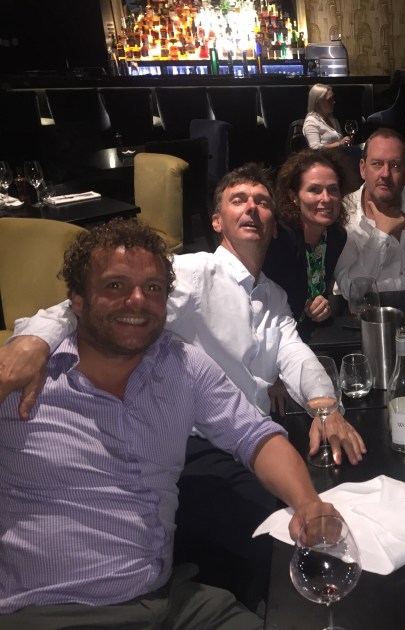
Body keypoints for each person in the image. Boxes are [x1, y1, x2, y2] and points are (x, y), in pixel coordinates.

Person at [0, 164, 365, 611]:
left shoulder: (272, 297)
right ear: (216, 221)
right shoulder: (192, 272)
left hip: (238, 436)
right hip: (189, 441)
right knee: (266, 531)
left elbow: (294, 354)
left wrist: (325, 406)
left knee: (322, 489)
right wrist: (34, 340)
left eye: (262, 201)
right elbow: (91, 302)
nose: (252, 207)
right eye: (238, 199)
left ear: (275, 222)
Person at [334, 128, 405, 295]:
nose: (385, 174)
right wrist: (381, 233)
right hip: (362, 308)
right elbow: (351, 291)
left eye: (395, 166)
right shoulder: (343, 214)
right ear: (363, 168)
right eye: (377, 164)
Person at [263, 148, 350, 323]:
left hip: (309, 329)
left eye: (333, 189)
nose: (326, 198)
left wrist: (321, 306)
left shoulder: (336, 237)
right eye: (315, 190)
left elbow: (318, 294)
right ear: (294, 196)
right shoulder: (278, 238)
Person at [302, 84, 353, 150]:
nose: (333, 102)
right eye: (329, 100)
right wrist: (339, 144)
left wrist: (345, 142)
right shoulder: (311, 121)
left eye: (333, 98)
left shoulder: (333, 119)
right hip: (323, 156)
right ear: (318, 102)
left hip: (338, 155)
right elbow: (315, 148)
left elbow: (341, 143)